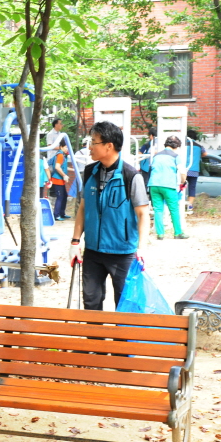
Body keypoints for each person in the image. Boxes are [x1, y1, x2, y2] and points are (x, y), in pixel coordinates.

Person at [69, 121, 151, 311]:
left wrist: (142, 248)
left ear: (109, 145)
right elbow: (83, 208)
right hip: (93, 252)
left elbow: (143, 214)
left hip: (122, 253)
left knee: (124, 305)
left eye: (94, 142)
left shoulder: (131, 176)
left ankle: (122, 333)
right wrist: (75, 241)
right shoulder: (89, 172)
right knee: (91, 302)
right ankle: (94, 332)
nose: (90, 147)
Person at [148, 136, 188, 240]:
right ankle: (178, 233)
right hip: (168, 185)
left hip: (153, 184)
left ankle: (160, 234)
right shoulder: (175, 156)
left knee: (158, 210)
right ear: (176, 146)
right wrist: (183, 182)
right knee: (174, 209)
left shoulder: (156, 156)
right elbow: (183, 172)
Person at [49, 141, 72, 220]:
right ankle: (56, 215)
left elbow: (62, 167)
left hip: (60, 180)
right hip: (57, 180)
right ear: (61, 147)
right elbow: (57, 167)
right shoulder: (60, 155)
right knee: (60, 197)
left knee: (64, 196)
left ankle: (62, 213)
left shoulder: (62, 155)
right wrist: (64, 175)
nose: (67, 149)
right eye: (66, 147)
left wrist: (73, 170)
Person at [184, 133, 203, 214]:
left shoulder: (184, 145)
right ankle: (190, 206)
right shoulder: (199, 146)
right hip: (194, 170)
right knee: (192, 187)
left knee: (181, 186)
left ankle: (180, 203)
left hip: (184, 170)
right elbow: (205, 154)